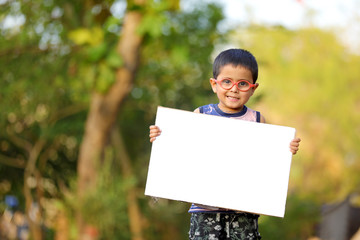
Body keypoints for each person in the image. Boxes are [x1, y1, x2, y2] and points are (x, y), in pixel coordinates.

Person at [149, 48, 301, 240]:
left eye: (243, 83)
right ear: (214, 84)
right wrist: (160, 136)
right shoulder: (201, 114)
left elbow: (268, 160)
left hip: (244, 211)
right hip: (204, 211)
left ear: (253, 88)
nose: (234, 88)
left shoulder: (257, 119)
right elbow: (180, 149)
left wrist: (287, 149)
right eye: (227, 81)